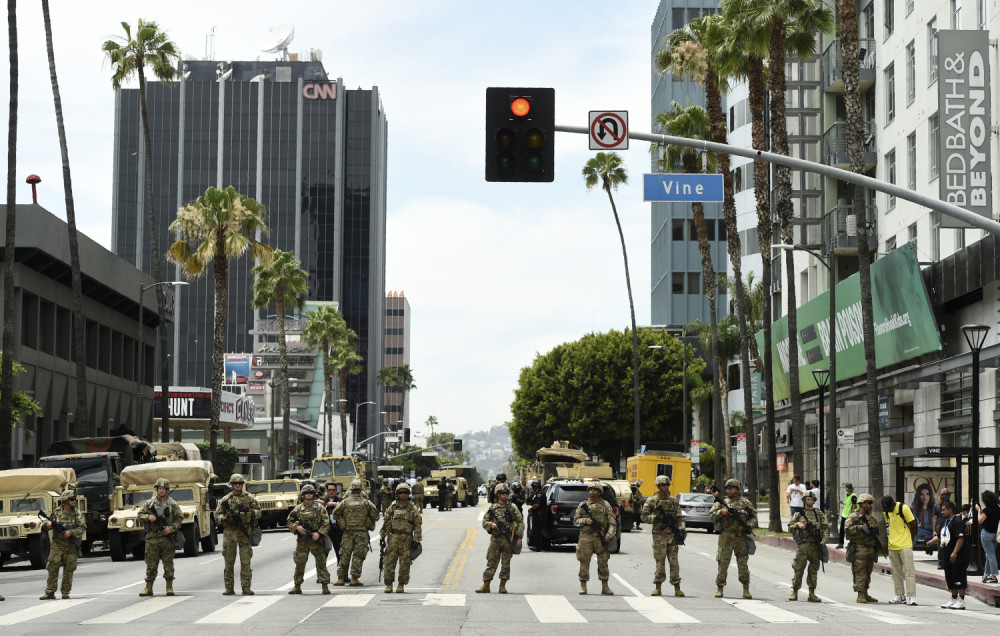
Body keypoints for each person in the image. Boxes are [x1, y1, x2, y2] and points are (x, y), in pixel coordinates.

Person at [709, 478, 757, 599]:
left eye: (731, 488)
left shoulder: (745, 503)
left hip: (740, 538)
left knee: (743, 564)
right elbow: (711, 516)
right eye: (727, 489)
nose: (729, 491)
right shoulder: (721, 502)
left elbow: (754, 517)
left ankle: (746, 589)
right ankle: (720, 588)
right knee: (723, 563)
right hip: (726, 536)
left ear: (737, 489)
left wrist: (747, 526)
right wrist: (721, 512)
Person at [215, 473, 261, 596]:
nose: (237, 486)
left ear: (242, 485)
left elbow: (259, 512)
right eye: (235, 484)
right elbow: (216, 515)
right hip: (230, 533)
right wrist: (224, 518)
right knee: (229, 562)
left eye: (240, 484)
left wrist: (251, 512)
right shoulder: (225, 500)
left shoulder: (250, 498)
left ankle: (246, 587)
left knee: (246, 562)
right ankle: (229, 588)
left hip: (244, 533)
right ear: (231, 485)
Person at [137, 478, 183, 597]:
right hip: (152, 538)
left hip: (167, 538)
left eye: (163, 489)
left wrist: (171, 528)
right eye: (160, 488)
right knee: (151, 564)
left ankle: (169, 587)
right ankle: (149, 587)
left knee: (168, 564)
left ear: (167, 490)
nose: (161, 491)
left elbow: (179, 518)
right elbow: (139, 515)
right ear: (157, 489)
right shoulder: (150, 503)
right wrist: (148, 517)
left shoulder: (172, 503)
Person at [640, 474, 685, 597]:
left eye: (667, 485)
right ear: (658, 486)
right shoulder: (651, 501)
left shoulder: (673, 501)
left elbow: (679, 517)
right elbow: (643, 517)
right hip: (659, 536)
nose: (665, 487)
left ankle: (677, 587)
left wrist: (681, 529)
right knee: (660, 562)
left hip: (672, 536)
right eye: (663, 485)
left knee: (674, 562)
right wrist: (655, 517)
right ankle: (658, 587)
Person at [476, 483, 524, 593]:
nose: (505, 495)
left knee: (506, 563)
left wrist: (519, 537)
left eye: (507, 493)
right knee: (491, 562)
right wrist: (491, 525)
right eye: (503, 493)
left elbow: (520, 523)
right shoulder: (493, 508)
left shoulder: (512, 507)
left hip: (508, 539)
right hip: (496, 539)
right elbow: (484, 522)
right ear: (498, 494)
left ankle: (502, 585)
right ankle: (486, 585)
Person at [39, 490, 85, 600]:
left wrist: (70, 533)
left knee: (69, 568)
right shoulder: (56, 512)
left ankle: (65, 591)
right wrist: (48, 525)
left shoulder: (76, 513)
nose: (74, 501)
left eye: (74, 499)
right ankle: (50, 592)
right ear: (65, 501)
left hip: (70, 544)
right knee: (52, 567)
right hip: (57, 544)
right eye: (71, 499)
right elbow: (46, 526)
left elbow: (82, 528)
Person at [333, 479, 379, 586]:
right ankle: (354, 578)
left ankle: (340, 578)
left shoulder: (345, 502)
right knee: (358, 556)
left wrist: (342, 523)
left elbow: (336, 514)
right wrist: (369, 520)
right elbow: (376, 515)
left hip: (348, 533)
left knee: (344, 554)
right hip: (361, 533)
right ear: (361, 489)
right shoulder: (366, 502)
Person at [286, 483, 331, 595]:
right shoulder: (298, 509)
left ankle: (324, 586)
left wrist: (319, 533)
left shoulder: (320, 508)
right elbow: (289, 521)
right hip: (303, 541)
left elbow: (326, 522)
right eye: (306, 493)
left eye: (311, 492)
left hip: (316, 541)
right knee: (300, 563)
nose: (309, 495)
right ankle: (297, 586)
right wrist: (297, 527)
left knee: (321, 563)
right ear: (303, 494)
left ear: (314, 494)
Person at [573, 482, 616, 595]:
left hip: (601, 538)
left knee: (603, 562)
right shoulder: (583, 505)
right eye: (591, 489)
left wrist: (609, 535)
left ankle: (605, 586)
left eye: (595, 489)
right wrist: (585, 521)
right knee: (584, 562)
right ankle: (583, 586)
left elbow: (612, 522)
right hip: (585, 539)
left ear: (600, 492)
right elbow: (575, 521)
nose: (592, 491)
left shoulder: (606, 505)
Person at [380, 481, 422, 593]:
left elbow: (417, 525)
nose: (403, 495)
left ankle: (401, 584)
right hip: (393, 537)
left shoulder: (413, 508)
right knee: (389, 562)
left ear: (408, 494)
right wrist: (382, 537)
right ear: (397, 494)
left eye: (405, 493)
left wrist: (416, 540)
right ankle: (389, 584)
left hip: (406, 539)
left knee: (405, 563)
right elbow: (386, 522)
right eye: (401, 493)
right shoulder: (393, 507)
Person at [788, 491, 829, 602]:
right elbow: (790, 527)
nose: (810, 501)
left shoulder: (818, 514)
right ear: (804, 500)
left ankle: (811, 593)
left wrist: (824, 540)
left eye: (812, 500)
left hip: (815, 546)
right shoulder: (799, 514)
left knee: (813, 571)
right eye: (808, 499)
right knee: (799, 569)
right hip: (803, 546)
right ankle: (794, 592)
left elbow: (826, 528)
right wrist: (797, 524)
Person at [844, 492, 883, 603]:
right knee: (859, 571)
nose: (871, 505)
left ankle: (865, 592)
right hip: (859, 548)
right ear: (862, 504)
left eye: (871, 503)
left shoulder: (871, 518)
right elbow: (847, 530)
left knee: (868, 572)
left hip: (870, 549)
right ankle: (860, 595)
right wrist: (860, 528)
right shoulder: (854, 517)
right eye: (869, 503)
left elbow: (877, 533)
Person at [882, 495, 917, 606]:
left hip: (905, 545)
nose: (889, 511)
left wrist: (910, 539)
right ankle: (900, 596)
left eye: (890, 508)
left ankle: (911, 596)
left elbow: (913, 524)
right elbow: (889, 525)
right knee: (896, 573)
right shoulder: (886, 511)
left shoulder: (903, 508)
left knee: (909, 571)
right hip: (892, 546)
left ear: (893, 503)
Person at [933, 500, 969, 609]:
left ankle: (961, 600)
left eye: (944, 510)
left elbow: (961, 538)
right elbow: (939, 537)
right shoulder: (945, 522)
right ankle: (953, 599)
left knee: (959, 577)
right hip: (946, 554)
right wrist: (928, 543)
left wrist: (955, 552)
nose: (942, 512)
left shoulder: (957, 522)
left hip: (957, 556)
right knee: (950, 577)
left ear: (950, 510)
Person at [976, 490, 1000, 584]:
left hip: (986, 534)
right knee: (989, 554)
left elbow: (980, 521)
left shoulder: (987, 510)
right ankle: (986, 574)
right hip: (995, 534)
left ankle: (993, 576)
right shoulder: (997, 508)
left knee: (990, 555)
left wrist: (978, 511)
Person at [320, 482, 343, 562]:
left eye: (333, 490)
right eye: (329, 490)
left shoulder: (341, 500)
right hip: (326, 531)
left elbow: (344, 505)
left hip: (337, 530)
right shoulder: (322, 501)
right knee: (324, 553)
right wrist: (326, 505)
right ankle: (322, 573)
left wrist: (333, 504)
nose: (331, 492)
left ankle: (342, 574)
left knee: (340, 553)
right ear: (326, 491)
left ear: (336, 491)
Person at [932, 488, 952, 569]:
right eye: (944, 495)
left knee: (949, 544)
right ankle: (941, 562)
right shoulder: (937, 506)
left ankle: (948, 561)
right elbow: (935, 518)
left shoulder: (951, 505)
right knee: (940, 545)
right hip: (940, 526)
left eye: (947, 495)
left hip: (949, 525)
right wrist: (934, 531)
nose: (946, 496)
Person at [836, 482, 858, 549]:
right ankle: (841, 543)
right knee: (842, 529)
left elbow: (854, 506)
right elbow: (847, 503)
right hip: (844, 514)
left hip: (849, 516)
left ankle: (851, 544)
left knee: (850, 530)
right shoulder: (846, 495)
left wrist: (852, 515)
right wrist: (843, 503)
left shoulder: (853, 496)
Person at [526, 480, 545, 551]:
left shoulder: (540, 494)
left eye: (533, 487)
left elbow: (537, 505)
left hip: (539, 515)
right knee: (535, 531)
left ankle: (538, 547)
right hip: (536, 515)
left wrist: (530, 509)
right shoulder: (536, 493)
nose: (532, 488)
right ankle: (537, 546)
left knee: (537, 531)